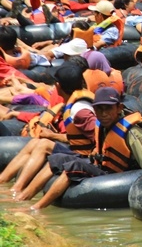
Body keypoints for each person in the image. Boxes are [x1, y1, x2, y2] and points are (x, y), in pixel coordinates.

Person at [28, 87, 142, 210]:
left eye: (108, 108)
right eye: (99, 109)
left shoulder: (131, 131)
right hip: (105, 169)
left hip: (122, 178)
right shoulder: (103, 124)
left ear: (119, 108)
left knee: (73, 166)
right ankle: (22, 197)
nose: (104, 113)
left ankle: (36, 208)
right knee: (58, 158)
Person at [0, 64, 96, 199]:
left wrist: (52, 135)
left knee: (43, 145)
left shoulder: (81, 110)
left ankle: (17, 191)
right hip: (77, 149)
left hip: (85, 157)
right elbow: (77, 135)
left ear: (58, 86)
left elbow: (97, 138)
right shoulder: (71, 104)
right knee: (36, 143)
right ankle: (4, 183)